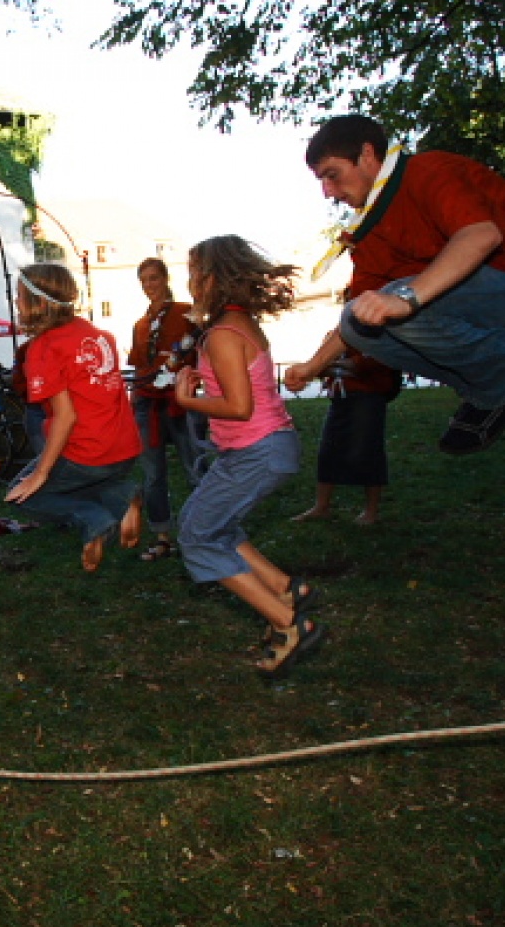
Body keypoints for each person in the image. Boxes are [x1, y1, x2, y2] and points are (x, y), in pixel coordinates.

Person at [286, 114, 505, 454]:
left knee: (394, 304)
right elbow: (360, 316)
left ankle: (504, 370)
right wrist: (313, 366)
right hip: (484, 312)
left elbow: (482, 234)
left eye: (332, 176)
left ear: (367, 154)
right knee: (357, 320)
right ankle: (499, 394)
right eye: (322, 181)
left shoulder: (428, 170)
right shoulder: (369, 231)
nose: (328, 192)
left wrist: (407, 298)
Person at [172, 236, 327, 679]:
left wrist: (188, 401)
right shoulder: (240, 324)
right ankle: (286, 590)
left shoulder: (222, 334)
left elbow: (239, 406)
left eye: (194, 271)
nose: (191, 281)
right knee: (213, 524)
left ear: (213, 278)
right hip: (264, 447)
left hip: (257, 451)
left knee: (198, 536)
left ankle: (290, 624)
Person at [4, 263, 144, 572]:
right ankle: (120, 498)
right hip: (124, 447)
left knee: (20, 493)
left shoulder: (44, 348)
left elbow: (65, 417)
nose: (15, 303)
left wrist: (40, 472)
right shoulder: (96, 334)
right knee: (77, 483)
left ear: (38, 303)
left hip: (86, 450)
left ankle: (94, 520)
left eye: (19, 296)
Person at [126, 256, 205, 562]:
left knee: (194, 464)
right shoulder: (141, 325)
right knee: (152, 473)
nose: (150, 286)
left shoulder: (187, 314)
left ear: (166, 278)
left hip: (181, 402)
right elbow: (140, 367)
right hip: (148, 403)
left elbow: (200, 352)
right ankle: (162, 536)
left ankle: (206, 529)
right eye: (144, 280)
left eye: (154, 278)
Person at [290, 330, 401, 526]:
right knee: (328, 451)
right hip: (340, 397)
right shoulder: (338, 333)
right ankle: (322, 506)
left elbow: (376, 362)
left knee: (368, 452)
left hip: (368, 396)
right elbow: (323, 365)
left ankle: (371, 511)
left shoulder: (379, 332)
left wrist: (341, 364)